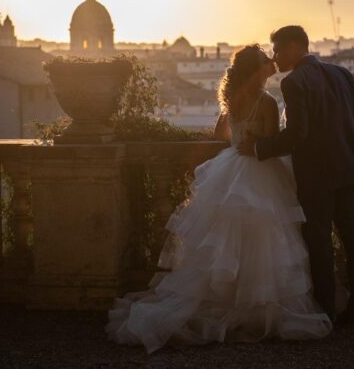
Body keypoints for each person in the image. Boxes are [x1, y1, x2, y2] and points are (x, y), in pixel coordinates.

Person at [106, 45, 332, 354]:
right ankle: (255, 307)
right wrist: (256, 142)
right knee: (263, 240)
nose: (273, 63)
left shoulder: (232, 99)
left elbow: (220, 134)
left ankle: (225, 302)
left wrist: (238, 140)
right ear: (257, 69)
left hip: (231, 168)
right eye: (267, 61)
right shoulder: (266, 102)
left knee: (225, 241)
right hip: (258, 170)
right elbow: (271, 141)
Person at [239, 26, 354, 325]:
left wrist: (260, 147)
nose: (274, 57)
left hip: (317, 174)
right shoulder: (340, 72)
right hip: (349, 168)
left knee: (320, 242)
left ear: (292, 47)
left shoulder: (294, 82)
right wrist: (337, 134)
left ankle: (325, 310)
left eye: (276, 49)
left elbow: (297, 134)